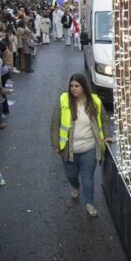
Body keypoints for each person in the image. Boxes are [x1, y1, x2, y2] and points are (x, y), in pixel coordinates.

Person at [51, 73, 110, 217]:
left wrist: (107, 136)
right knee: (71, 175)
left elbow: (104, 119)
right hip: (68, 149)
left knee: (88, 177)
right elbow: (55, 123)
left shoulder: (94, 101)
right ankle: (75, 186)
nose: (73, 89)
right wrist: (55, 143)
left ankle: (89, 203)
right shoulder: (63, 100)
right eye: (71, 86)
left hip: (89, 148)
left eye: (77, 86)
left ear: (84, 86)